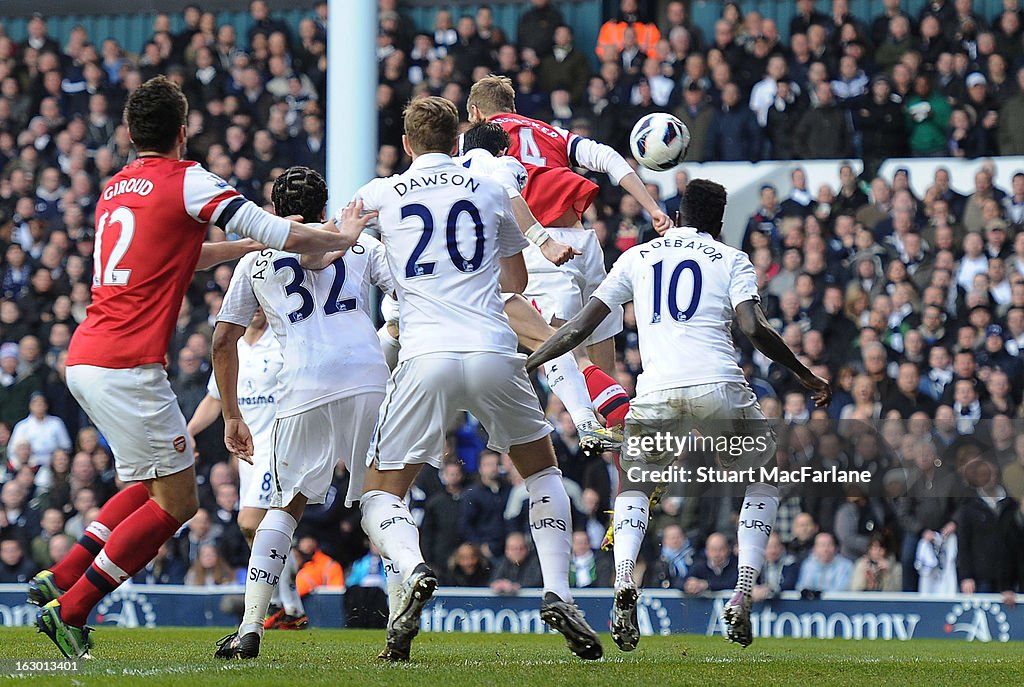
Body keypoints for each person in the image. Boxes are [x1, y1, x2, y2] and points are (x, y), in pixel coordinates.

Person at [32, 76, 351, 661]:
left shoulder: (112, 191)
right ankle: (72, 607)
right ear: (183, 131)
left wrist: (244, 252)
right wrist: (341, 233)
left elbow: (186, 254)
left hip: (85, 356)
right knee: (179, 504)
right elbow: (274, 228)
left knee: (157, 480)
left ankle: (62, 575)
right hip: (129, 364)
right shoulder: (188, 179)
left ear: (130, 134)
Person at [526, 178, 830, 651]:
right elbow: (753, 327)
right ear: (721, 221)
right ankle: (743, 591)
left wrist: (534, 359)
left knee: (634, 485)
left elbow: (583, 324)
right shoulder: (732, 259)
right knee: (765, 477)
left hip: (658, 391)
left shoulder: (637, 257)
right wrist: (804, 374)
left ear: (680, 213)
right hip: (719, 386)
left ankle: (624, 578)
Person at [355, 97, 602, 662]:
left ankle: (414, 567)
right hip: (492, 348)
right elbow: (514, 280)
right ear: (459, 138)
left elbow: (340, 240)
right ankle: (559, 593)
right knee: (542, 473)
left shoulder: (381, 192)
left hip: (425, 356)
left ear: (409, 144)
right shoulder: (490, 189)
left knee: (379, 494)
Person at [212, 166, 392, 660]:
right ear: (324, 205)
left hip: (300, 386)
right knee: (382, 496)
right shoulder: (360, 244)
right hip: (366, 376)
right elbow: (408, 296)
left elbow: (224, 340)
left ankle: (252, 626)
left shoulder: (256, 262)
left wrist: (232, 415)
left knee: (285, 508)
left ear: (273, 209)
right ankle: (400, 620)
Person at [467, 75, 669, 428]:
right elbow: (607, 157)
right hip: (584, 243)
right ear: (513, 108)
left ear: (475, 112)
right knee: (605, 367)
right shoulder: (550, 132)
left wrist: (541, 241)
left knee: (570, 358)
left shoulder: (476, 146)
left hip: (542, 247)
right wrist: (652, 207)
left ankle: (633, 430)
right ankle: (630, 472)